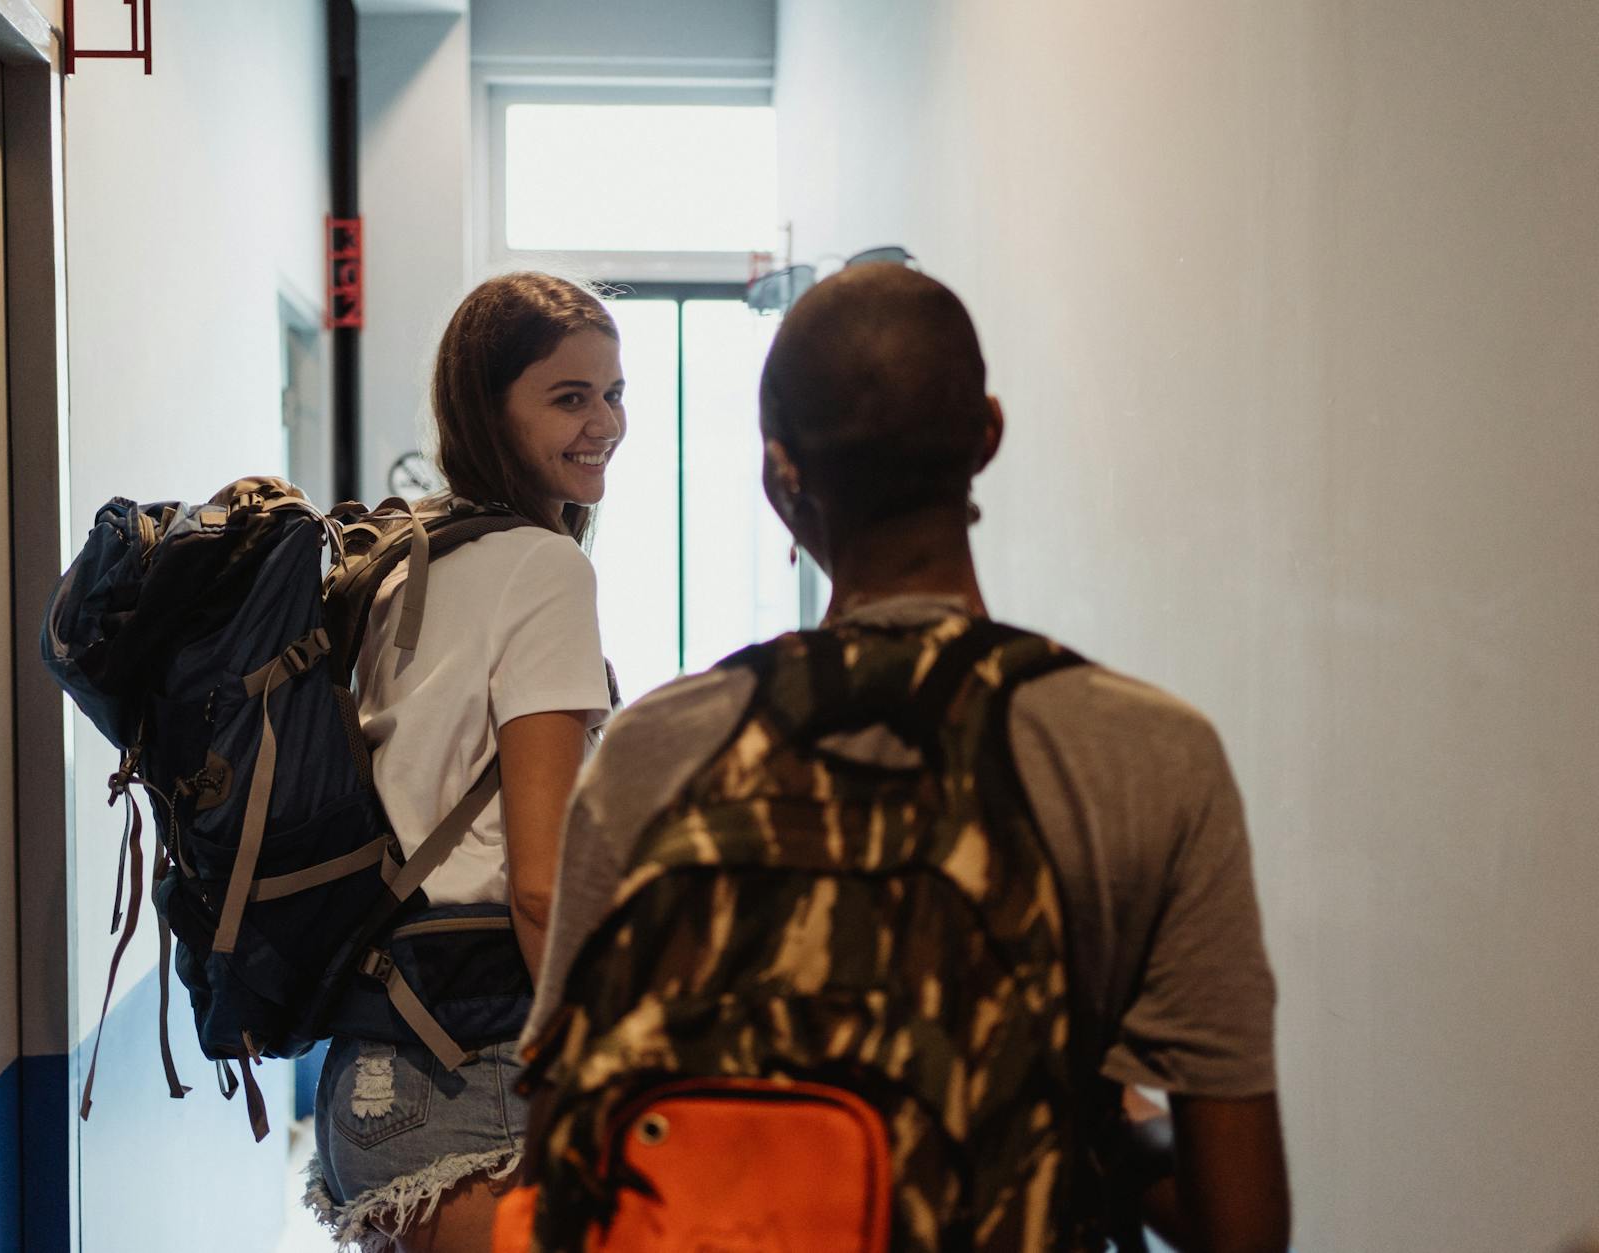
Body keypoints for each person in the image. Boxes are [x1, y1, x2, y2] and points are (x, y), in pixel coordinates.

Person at [513, 265, 1291, 1250]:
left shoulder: (648, 754)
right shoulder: (1152, 755)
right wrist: (1088, 1107)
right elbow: (1242, 1226)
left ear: (776, 474)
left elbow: (557, 1158)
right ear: (988, 437)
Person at [305, 273, 624, 1252]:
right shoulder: (545, 569)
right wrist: (600, 1062)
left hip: (370, 1065)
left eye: (613, 393)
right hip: (474, 1065)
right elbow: (537, 885)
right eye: (568, 397)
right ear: (487, 409)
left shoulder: (408, 551)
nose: (603, 422)